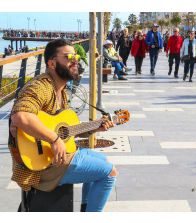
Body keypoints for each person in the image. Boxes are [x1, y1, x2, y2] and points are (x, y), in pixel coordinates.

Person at [8, 39, 117, 212]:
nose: (75, 60)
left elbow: (66, 131)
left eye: (75, 56)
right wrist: (54, 138)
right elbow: (21, 116)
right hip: (42, 166)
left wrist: (96, 127)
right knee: (109, 173)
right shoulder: (40, 87)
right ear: (52, 63)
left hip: (54, 156)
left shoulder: (61, 91)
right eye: (69, 57)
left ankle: (86, 209)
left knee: (102, 160)